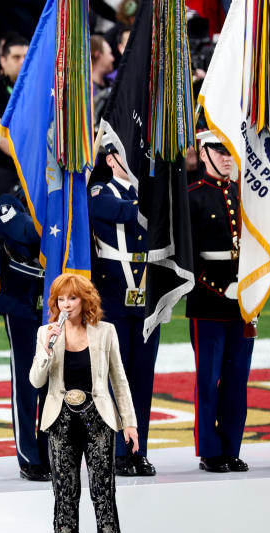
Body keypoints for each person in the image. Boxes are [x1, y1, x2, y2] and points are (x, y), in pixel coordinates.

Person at [29, 273, 138, 533]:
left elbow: (119, 379)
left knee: (104, 497)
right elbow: (36, 380)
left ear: (85, 300)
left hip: (98, 419)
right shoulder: (45, 333)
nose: (66, 304)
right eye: (61, 299)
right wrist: (48, 348)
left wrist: (128, 421)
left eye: (72, 298)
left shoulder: (105, 332)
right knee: (65, 498)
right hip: (60, 420)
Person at [186, 131, 254, 473]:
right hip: (208, 302)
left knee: (237, 378)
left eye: (230, 151)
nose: (227, 157)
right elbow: (189, 257)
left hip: (242, 303)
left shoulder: (243, 196)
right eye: (219, 150)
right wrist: (218, 287)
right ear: (203, 152)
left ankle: (231, 446)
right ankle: (210, 450)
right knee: (209, 377)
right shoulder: (193, 196)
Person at [89, 144, 159, 477]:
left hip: (146, 296)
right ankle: (116, 449)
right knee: (115, 375)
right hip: (114, 296)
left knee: (142, 376)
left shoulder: (148, 192)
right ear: (110, 159)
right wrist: (150, 205)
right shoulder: (100, 190)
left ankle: (137, 448)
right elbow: (113, 210)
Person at [0, 193, 50, 481]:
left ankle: (49, 452)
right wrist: (56, 220)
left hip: (53, 296)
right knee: (28, 380)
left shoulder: (54, 194)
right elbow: (23, 230)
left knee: (53, 383)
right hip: (20, 299)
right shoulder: (9, 196)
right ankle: (29, 456)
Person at [0, 34, 29, 197]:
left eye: (26, 56)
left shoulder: (40, 90)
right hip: (4, 169)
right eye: (16, 57)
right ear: (3, 61)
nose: (22, 61)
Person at [91, 35, 115, 122]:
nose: (113, 59)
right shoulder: (86, 91)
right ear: (98, 54)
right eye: (110, 53)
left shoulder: (111, 82)